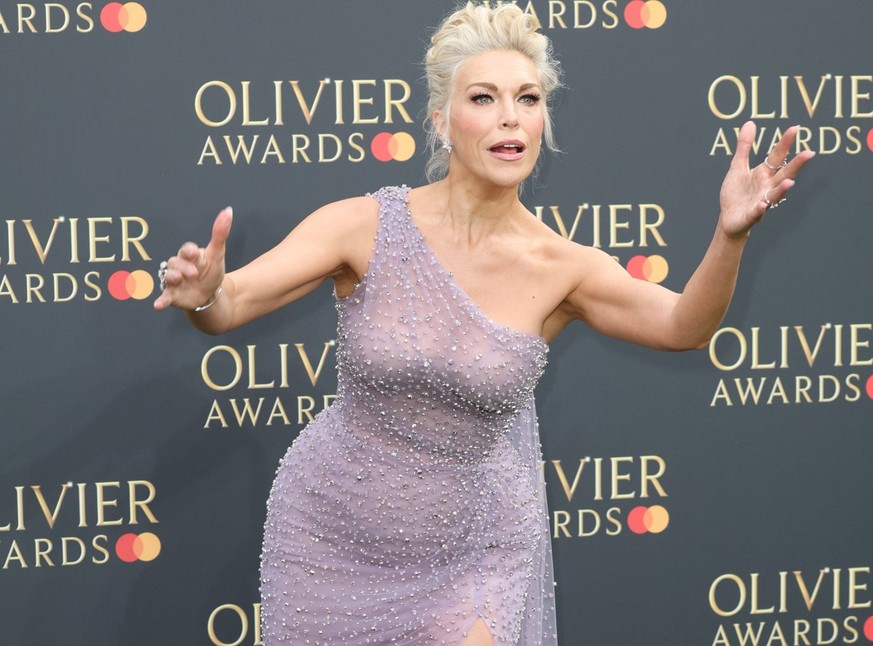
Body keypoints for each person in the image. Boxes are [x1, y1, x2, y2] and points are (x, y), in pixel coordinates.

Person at [154, 4, 813, 645]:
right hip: (329, 536)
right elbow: (231, 306)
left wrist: (728, 237)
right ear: (440, 120)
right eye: (483, 99)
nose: (509, 118)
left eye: (527, 99)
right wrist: (205, 295)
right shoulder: (363, 226)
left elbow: (681, 327)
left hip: (476, 549)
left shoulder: (561, 266)